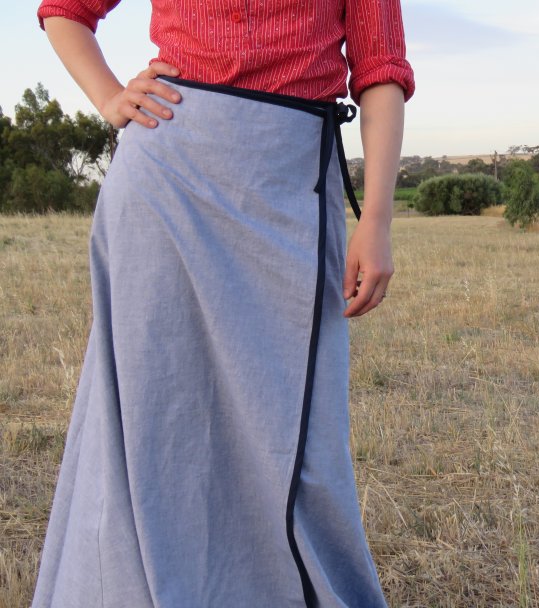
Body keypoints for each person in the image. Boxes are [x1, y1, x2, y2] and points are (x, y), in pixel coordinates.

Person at [32, 1, 414, 606]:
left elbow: (381, 72)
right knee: (156, 415)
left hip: (288, 185)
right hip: (165, 178)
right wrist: (109, 98)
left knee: (301, 438)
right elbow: (64, 10)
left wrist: (377, 217)